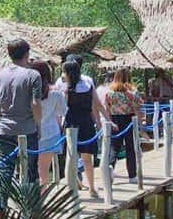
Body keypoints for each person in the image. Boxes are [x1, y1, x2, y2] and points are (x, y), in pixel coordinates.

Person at [0, 38, 43, 218]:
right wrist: (38, 124)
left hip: (5, 130)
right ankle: (30, 210)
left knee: (5, 171)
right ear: (27, 54)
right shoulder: (33, 76)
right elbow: (35, 103)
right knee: (29, 170)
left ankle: (0, 207)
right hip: (27, 129)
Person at [59, 57, 108, 198]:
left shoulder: (66, 89)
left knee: (71, 157)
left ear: (67, 73)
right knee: (87, 158)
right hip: (86, 122)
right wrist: (104, 120)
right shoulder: (88, 85)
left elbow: (64, 110)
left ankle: (73, 188)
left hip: (72, 124)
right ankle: (92, 188)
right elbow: (97, 103)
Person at [27, 59, 66, 185]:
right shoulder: (56, 93)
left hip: (30, 133)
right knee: (43, 172)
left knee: (29, 171)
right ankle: (43, 198)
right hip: (50, 133)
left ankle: (31, 199)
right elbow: (62, 113)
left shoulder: (26, 93)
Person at [105, 68, 143, 184]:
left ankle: (110, 167)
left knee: (114, 147)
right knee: (130, 148)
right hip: (130, 120)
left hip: (115, 119)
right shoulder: (133, 91)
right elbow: (137, 108)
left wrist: (110, 121)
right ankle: (132, 175)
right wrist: (140, 125)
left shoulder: (110, 91)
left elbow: (107, 108)